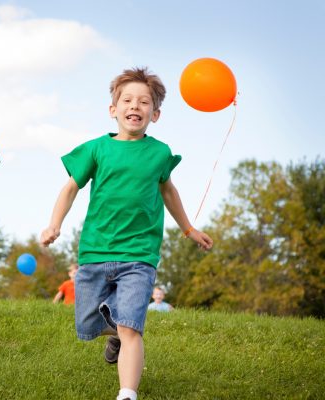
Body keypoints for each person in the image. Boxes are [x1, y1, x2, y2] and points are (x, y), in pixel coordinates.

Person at [40, 67, 213, 400]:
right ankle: (115, 332)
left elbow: (169, 191)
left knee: (132, 326)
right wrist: (54, 224)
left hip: (139, 255)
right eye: (128, 100)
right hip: (95, 251)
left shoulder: (159, 153)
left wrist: (188, 228)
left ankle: (127, 393)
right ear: (113, 109)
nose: (136, 106)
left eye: (144, 102)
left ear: (155, 113)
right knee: (88, 323)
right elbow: (70, 187)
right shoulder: (95, 149)